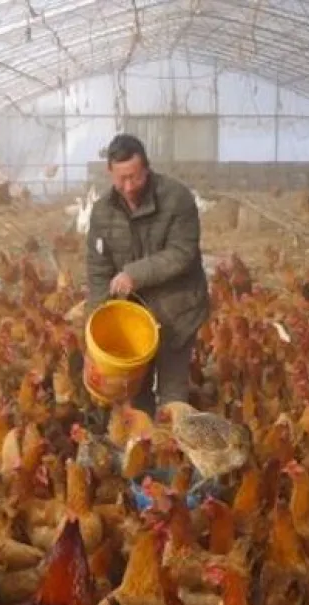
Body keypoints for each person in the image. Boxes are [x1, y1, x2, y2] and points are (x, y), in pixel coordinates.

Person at [84, 133, 210, 415]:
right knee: (135, 396)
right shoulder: (103, 212)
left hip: (177, 311)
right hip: (134, 320)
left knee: (172, 396)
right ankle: (144, 450)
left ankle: (171, 451)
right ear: (110, 172)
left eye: (135, 177)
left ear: (147, 167)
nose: (128, 187)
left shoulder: (176, 198)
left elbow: (183, 252)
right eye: (121, 179)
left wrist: (134, 274)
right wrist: (94, 325)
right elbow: (98, 271)